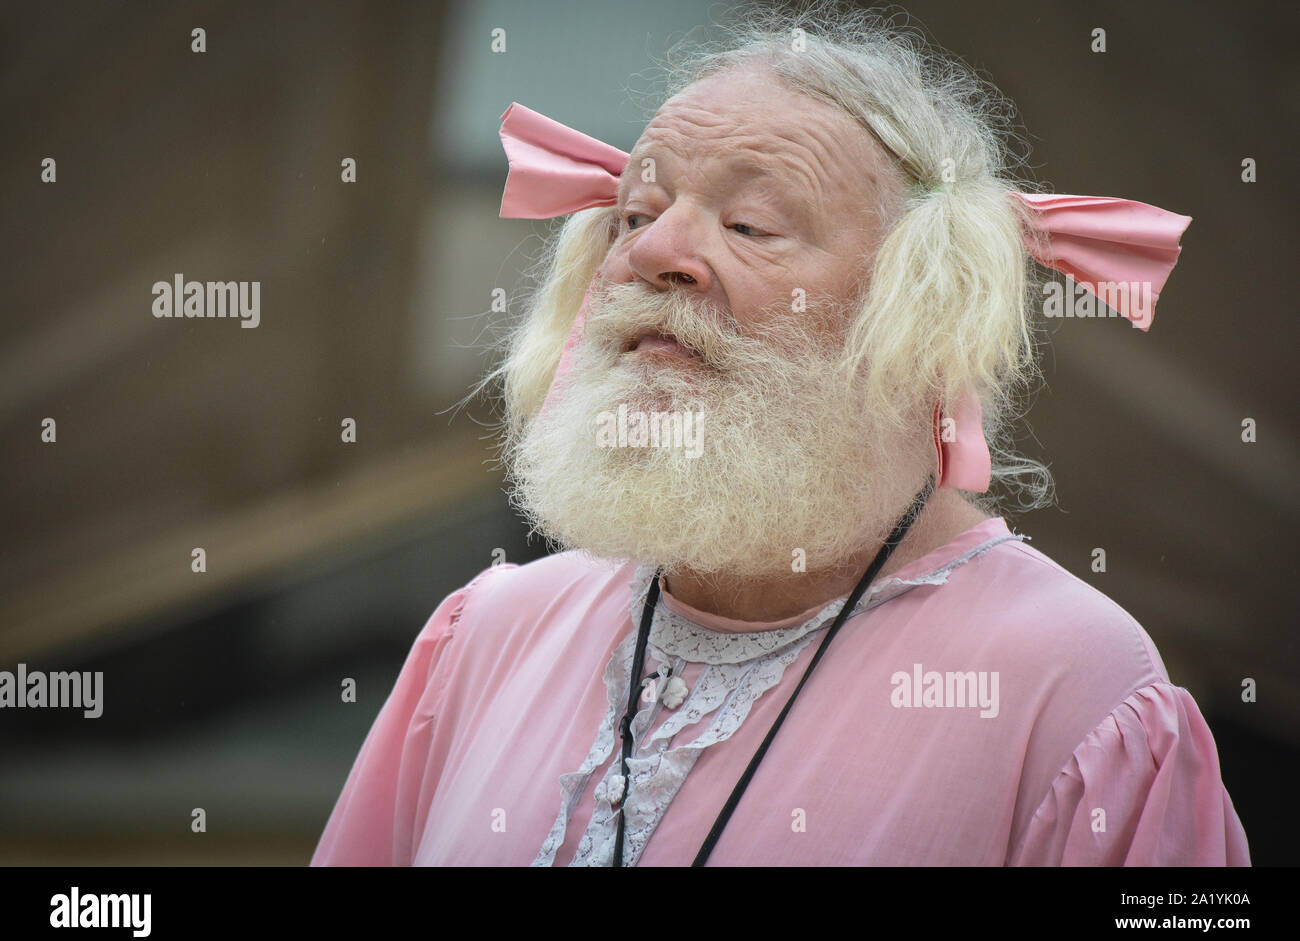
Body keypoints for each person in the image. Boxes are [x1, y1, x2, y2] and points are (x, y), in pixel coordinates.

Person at [311, 6, 1249, 866]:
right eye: (634, 214)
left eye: (750, 222)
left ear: (920, 306)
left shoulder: (1078, 690)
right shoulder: (489, 635)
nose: (649, 253)